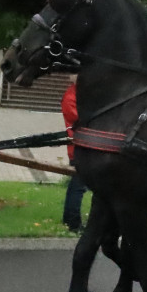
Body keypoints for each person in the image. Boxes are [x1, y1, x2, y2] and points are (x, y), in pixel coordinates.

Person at [61, 77, 88, 232]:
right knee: (78, 186)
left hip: (80, 146)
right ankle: (73, 223)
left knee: (77, 186)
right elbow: (80, 120)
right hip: (79, 148)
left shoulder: (78, 95)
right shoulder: (71, 97)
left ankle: (69, 219)